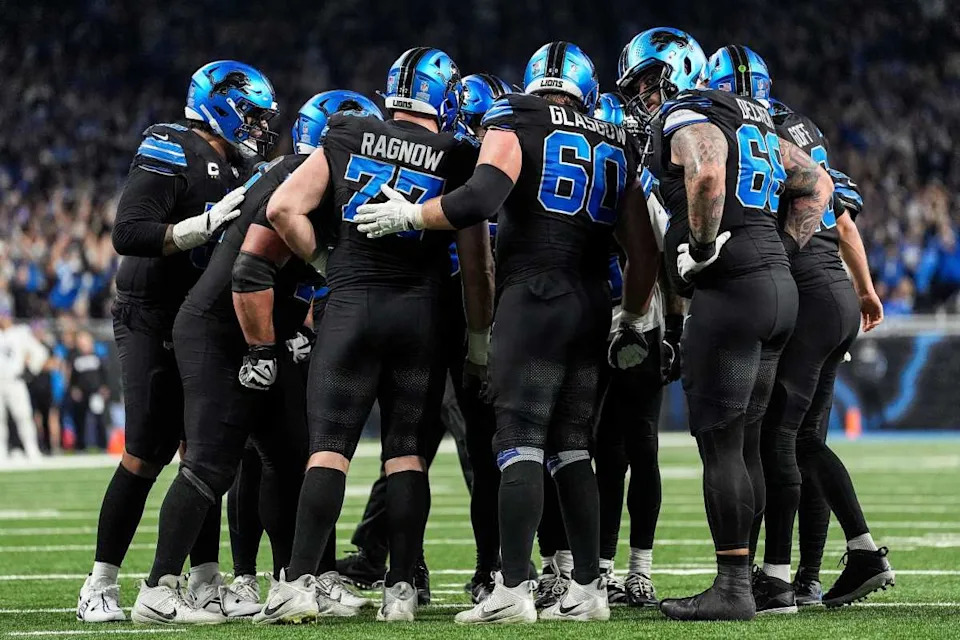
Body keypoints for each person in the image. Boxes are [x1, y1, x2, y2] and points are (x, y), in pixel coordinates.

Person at [354, 41, 660, 624]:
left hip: (534, 300)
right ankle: (590, 589)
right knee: (573, 448)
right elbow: (642, 248)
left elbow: (482, 196)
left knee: (517, 441)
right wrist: (632, 313)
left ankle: (514, 589)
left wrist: (411, 214)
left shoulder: (515, 116)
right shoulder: (613, 138)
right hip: (591, 303)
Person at [131, 89, 382, 625]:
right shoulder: (297, 179)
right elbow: (249, 273)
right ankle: (157, 591)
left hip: (256, 328)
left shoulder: (305, 175)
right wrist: (265, 349)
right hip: (223, 329)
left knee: (293, 457)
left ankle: (295, 580)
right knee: (210, 462)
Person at [260, 47, 493, 624]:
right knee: (406, 456)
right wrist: (479, 338)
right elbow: (478, 264)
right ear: (443, 98)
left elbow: (284, 208)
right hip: (421, 317)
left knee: (329, 450)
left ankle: (297, 584)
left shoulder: (346, 134)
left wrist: (325, 262)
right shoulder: (458, 154)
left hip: (351, 308)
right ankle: (401, 592)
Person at [617, 28, 833, 621]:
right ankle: (761, 581)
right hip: (776, 289)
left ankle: (733, 586)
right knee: (749, 444)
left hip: (731, 291)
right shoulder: (757, 117)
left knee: (721, 445)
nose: (638, 97)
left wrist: (707, 248)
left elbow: (708, 174)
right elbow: (817, 183)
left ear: (670, 75)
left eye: (641, 82)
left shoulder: (691, 110)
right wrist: (778, 250)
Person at [77, 60, 277, 623]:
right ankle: (100, 584)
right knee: (145, 452)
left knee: (203, 451)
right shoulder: (173, 144)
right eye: (253, 116)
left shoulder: (236, 167)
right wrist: (202, 225)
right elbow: (128, 231)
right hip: (148, 312)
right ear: (221, 104)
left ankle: (205, 581)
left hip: (196, 319)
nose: (260, 129)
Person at [703, 46, 892, 612]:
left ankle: (786, 574)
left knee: (778, 439)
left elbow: (813, 209)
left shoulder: (743, 129)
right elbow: (846, 225)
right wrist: (864, 289)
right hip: (833, 290)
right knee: (807, 439)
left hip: (803, 290)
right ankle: (813, 574)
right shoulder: (797, 126)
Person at [591, 91, 667, 608]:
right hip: (624, 322)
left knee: (627, 449)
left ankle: (628, 568)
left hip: (627, 323)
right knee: (613, 449)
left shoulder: (638, 188)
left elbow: (661, 261)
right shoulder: (642, 185)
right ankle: (608, 567)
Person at [0, 305, 46, 460]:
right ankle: (2, 452)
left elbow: (40, 352)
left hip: (15, 381)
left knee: (24, 416)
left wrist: (31, 370)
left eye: (5, 315)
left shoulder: (20, 333)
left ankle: (31, 450)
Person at [66, 331, 109, 451]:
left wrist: (104, 387)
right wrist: (73, 389)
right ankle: (80, 446)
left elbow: (104, 374)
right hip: (81, 393)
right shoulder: (75, 357)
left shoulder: (97, 357)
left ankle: (102, 445)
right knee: (79, 419)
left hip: (96, 392)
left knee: (99, 419)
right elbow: (72, 377)